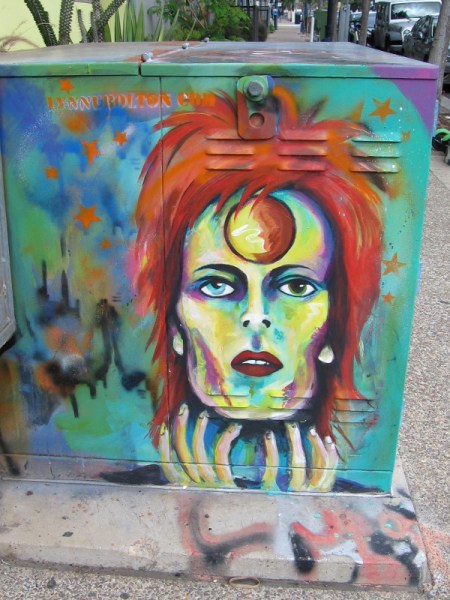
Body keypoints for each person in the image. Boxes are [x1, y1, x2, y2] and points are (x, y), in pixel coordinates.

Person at [134, 86, 385, 492]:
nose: (255, 316)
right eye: (216, 284)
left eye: (296, 285)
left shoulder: (360, 492)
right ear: (174, 325)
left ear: (336, 324)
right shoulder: (118, 480)